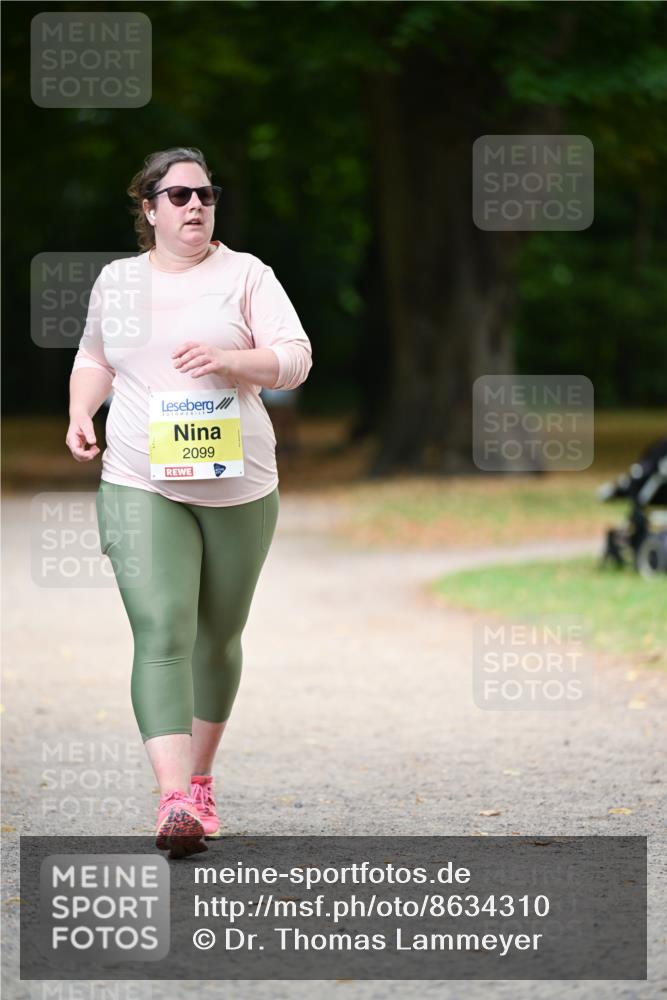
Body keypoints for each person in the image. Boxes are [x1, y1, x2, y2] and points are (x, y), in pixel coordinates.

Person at [66, 147, 312, 859]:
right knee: (162, 629)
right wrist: (84, 412)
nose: (195, 206)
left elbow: (294, 357)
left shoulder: (246, 275)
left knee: (217, 636)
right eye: (177, 196)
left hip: (239, 485)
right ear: (148, 209)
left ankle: (201, 778)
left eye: (204, 194)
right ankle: (174, 800)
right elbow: (95, 358)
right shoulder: (117, 281)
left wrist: (233, 361)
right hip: (141, 480)